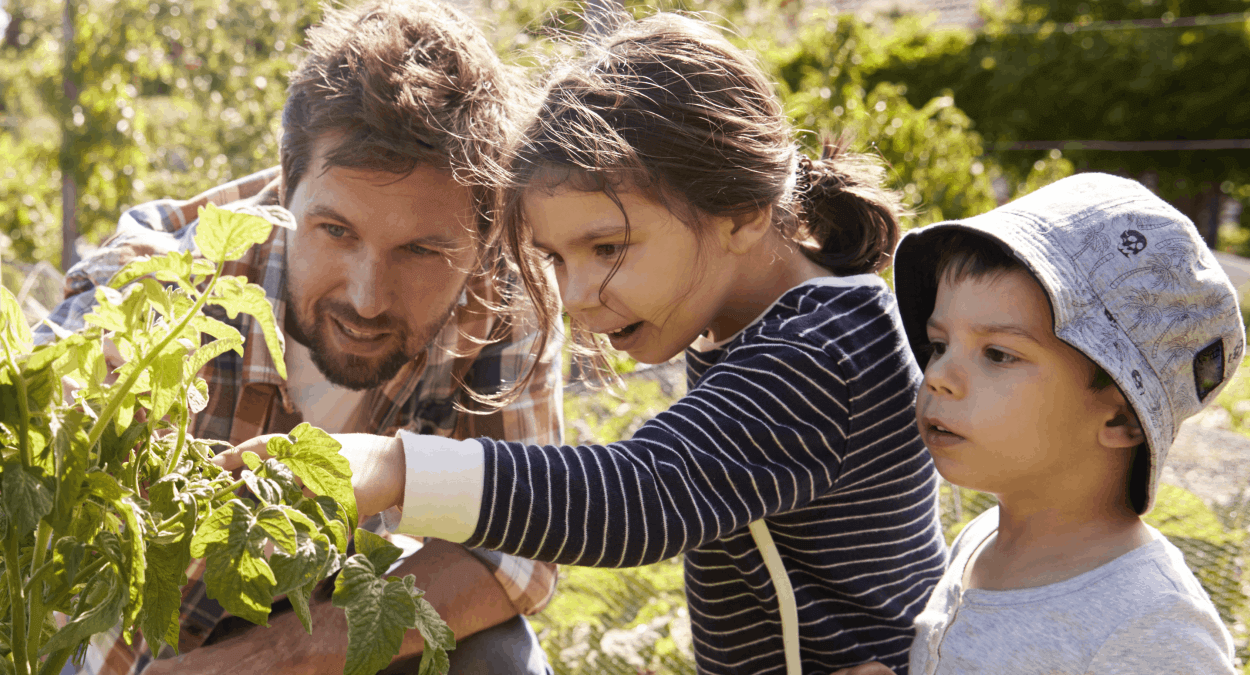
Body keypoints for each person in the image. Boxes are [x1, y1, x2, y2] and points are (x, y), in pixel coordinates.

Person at [227, 12, 949, 675]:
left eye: (607, 247)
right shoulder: (763, 333)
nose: (574, 296)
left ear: (741, 213)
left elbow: (645, 493)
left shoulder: (822, 350)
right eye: (557, 258)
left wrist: (394, 467)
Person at [37, 1, 561, 674]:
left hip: (332, 632)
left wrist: (289, 652)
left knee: (496, 655)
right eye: (336, 231)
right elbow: (89, 316)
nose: (367, 297)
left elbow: (519, 548)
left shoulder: (504, 297)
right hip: (157, 647)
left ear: (484, 236)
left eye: (421, 251)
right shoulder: (180, 280)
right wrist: (72, 403)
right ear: (285, 186)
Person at [832, 172, 1243, 674]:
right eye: (940, 345)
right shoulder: (984, 537)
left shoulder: (1153, 629)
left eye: (999, 354)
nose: (938, 376)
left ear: (1120, 415)